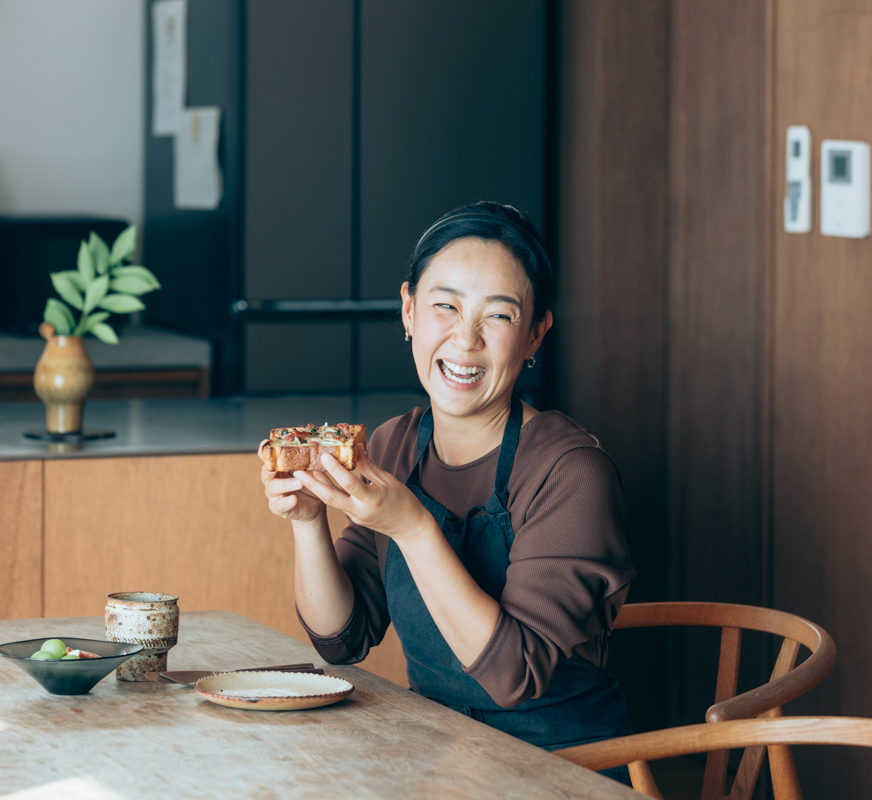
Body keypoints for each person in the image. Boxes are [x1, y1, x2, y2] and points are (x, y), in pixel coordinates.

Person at [259, 201, 634, 778]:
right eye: (445, 306)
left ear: (536, 334)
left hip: (561, 768)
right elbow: (344, 639)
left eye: (500, 317)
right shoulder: (393, 445)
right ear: (408, 310)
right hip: (438, 754)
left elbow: (513, 675)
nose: (465, 340)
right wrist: (309, 521)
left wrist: (411, 526)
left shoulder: (571, 471)